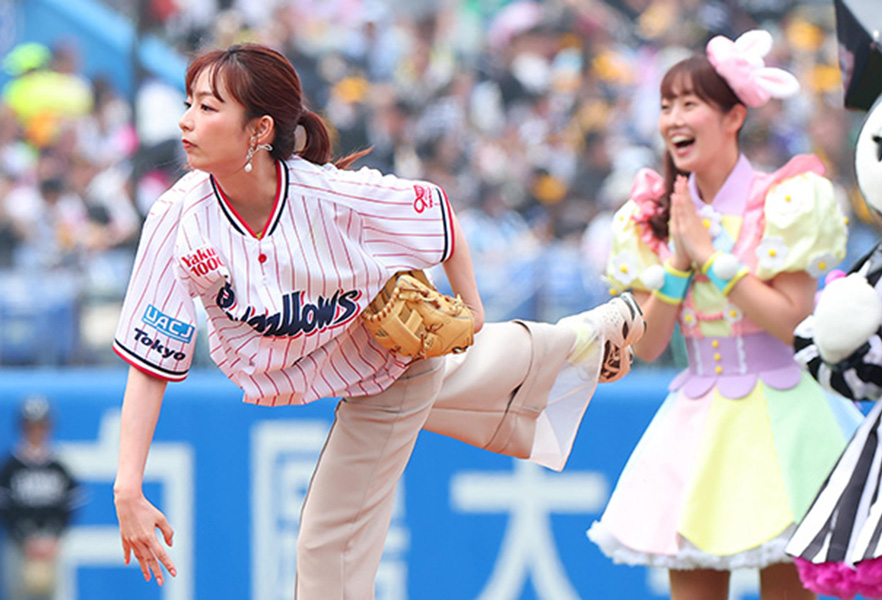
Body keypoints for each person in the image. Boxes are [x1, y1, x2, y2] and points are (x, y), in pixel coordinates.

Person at [111, 43, 645, 599]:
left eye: (207, 107)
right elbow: (150, 362)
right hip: (344, 366)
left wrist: (473, 313)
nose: (186, 120)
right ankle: (590, 339)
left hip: (389, 366)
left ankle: (584, 342)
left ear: (259, 129)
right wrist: (128, 486)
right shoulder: (179, 219)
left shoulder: (329, 195)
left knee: (327, 544)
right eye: (189, 104)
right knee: (472, 378)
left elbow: (438, 214)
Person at [586, 30, 863, 599]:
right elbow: (649, 345)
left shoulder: (785, 199)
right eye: (666, 105)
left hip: (788, 418)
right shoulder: (650, 216)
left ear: (733, 116)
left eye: (689, 104)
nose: (673, 119)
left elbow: (794, 325)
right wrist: (679, 264)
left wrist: (713, 260)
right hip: (697, 419)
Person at [0, 396, 80, 600]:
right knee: (17, 593)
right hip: (19, 545)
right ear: (22, 427)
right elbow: (5, 506)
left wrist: (53, 536)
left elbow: (71, 503)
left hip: (53, 544)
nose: (36, 432)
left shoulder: (59, 466)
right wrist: (25, 538)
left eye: (41, 426)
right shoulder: (11, 467)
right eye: (31, 426)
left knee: (57, 592)